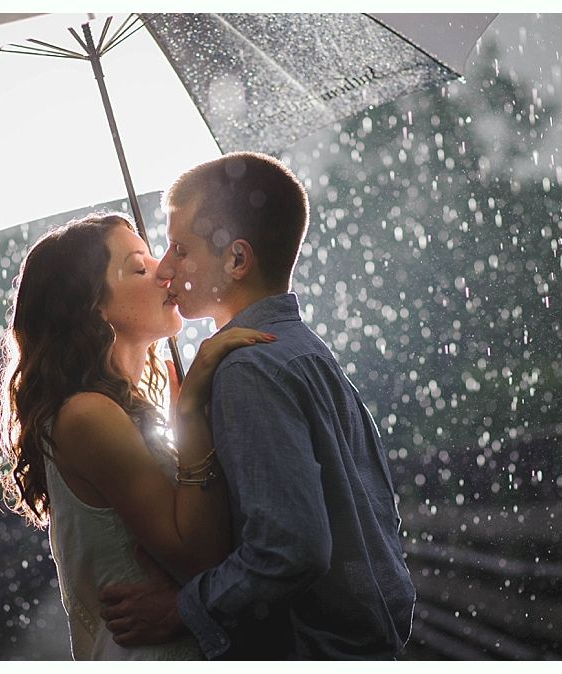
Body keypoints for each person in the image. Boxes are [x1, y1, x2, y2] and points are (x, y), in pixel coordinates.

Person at [98, 152, 416, 659]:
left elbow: (290, 549)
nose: (166, 268)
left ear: (237, 260)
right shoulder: (308, 352)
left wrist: (182, 607)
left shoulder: (247, 370)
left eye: (180, 248)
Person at [0, 212, 274, 660]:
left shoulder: (122, 410)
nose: (164, 272)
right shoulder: (87, 415)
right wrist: (193, 417)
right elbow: (199, 556)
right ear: (91, 305)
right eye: (139, 268)